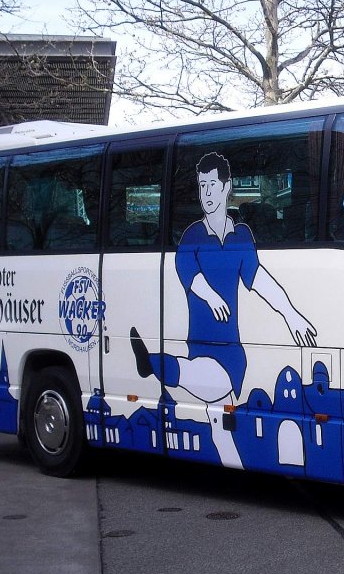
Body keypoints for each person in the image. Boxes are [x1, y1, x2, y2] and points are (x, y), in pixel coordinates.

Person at [131, 151, 316, 405]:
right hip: (201, 343)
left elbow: (259, 278)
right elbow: (187, 270)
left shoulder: (241, 236)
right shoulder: (192, 236)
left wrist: (290, 313)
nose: (206, 193)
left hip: (230, 346)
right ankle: (152, 362)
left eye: (212, 185)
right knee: (214, 389)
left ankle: (153, 363)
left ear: (226, 187)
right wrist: (211, 296)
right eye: (202, 186)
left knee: (220, 412)